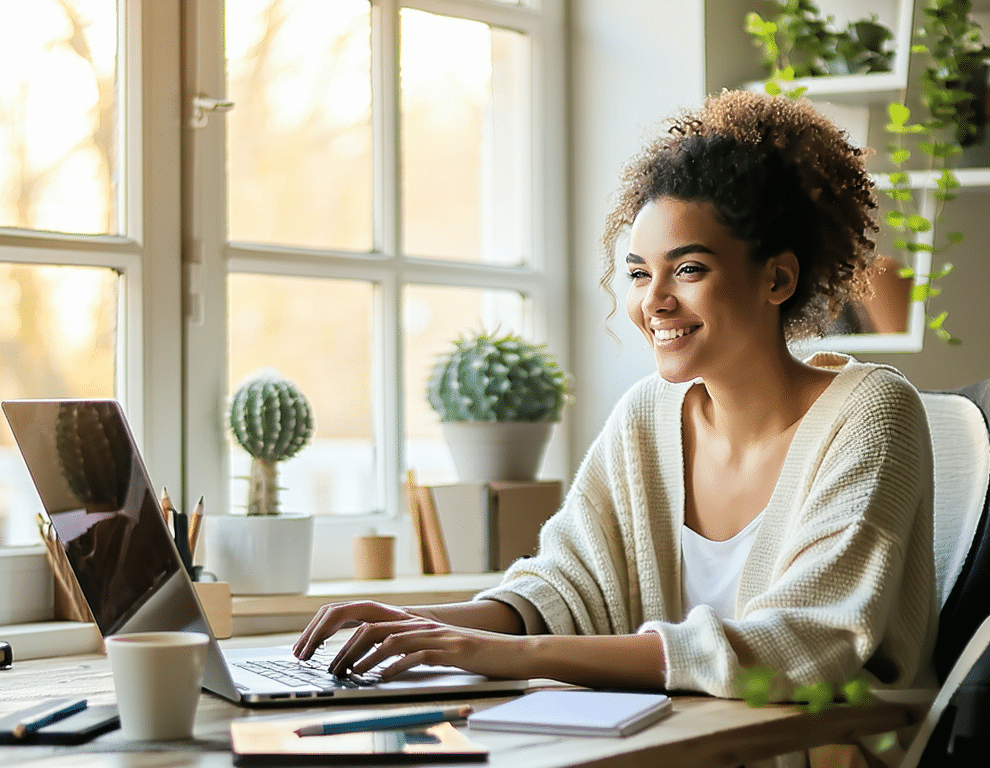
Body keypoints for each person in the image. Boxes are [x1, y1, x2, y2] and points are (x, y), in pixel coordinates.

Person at [293, 91, 936, 711]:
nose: (653, 300)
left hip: (822, 751)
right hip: (672, 744)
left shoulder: (872, 413)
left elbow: (805, 644)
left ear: (778, 277)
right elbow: (566, 587)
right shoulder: (646, 417)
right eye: (638, 273)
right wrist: (420, 625)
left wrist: (516, 656)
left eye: (688, 269)